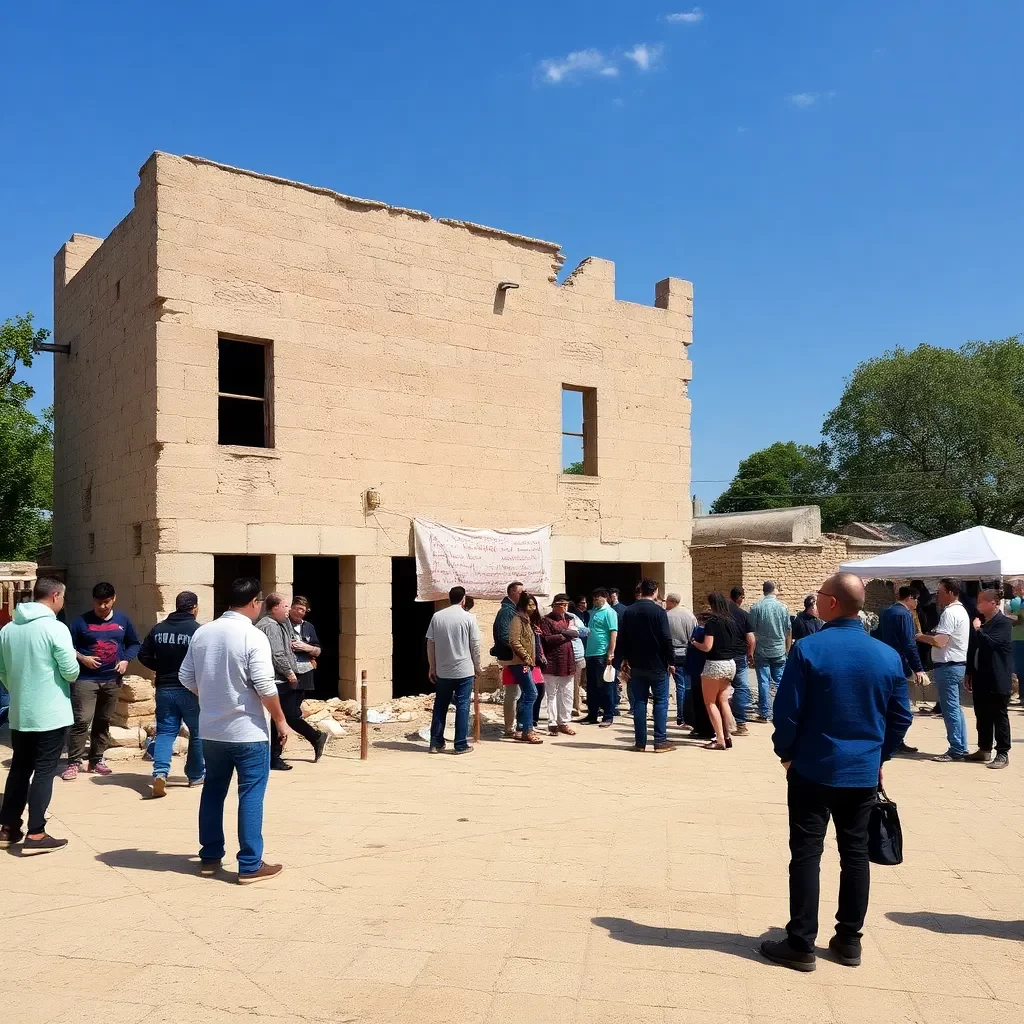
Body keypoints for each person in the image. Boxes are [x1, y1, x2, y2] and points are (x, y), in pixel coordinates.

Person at [760, 572, 912, 972]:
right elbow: (900, 717)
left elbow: (787, 710)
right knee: (855, 855)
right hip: (862, 772)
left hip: (812, 767)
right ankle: (848, 941)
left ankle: (801, 942)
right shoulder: (887, 655)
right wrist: (880, 757)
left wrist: (786, 753)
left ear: (830, 603)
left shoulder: (809, 649)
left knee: (807, 854)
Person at [179, 577, 291, 884]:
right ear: (254, 602)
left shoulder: (203, 633)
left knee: (213, 791)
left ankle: (210, 855)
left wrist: (214, 697)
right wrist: (280, 719)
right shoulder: (252, 636)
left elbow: (185, 676)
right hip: (248, 732)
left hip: (212, 730)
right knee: (251, 794)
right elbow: (266, 686)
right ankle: (250, 864)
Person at [0, 578, 79, 854]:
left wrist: (21, 691)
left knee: (20, 769)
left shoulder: (8, 629)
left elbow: (2, 671)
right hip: (51, 713)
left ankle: (8, 826)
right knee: (45, 771)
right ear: (56, 596)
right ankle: (36, 833)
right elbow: (71, 671)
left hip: (21, 712)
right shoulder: (56, 629)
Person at [63, 582, 141, 780]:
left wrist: (125, 660)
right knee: (82, 720)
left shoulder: (123, 620)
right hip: (85, 680)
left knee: (103, 720)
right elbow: (66, 647)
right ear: (93, 601)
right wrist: (82, 658)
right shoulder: (81, 622)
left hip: (112, 680)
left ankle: (97, 759)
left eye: (106, 602)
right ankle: (74, 762)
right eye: (99, 603)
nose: (103, 607)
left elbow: (134, 643)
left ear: (113, 599)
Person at [137, 591, 203, 797]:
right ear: (194, 608)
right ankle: (195, 775)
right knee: (197, 732)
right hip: (190, 689)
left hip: (165, 688)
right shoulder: (197, 631)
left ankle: (160, 773)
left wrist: (160, 667)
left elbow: (142, 654)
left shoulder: (159, 629)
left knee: (166, 732)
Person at [258, 594, 327, 771]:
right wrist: (289, 673)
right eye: (289, 607)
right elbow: (278, 653)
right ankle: (313, 738)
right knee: (285, 715)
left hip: (297, 674)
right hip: (282, 676)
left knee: (286, 715)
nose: (292, 611)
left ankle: (276, 755)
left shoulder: (304, 627)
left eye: (303, 610)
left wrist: (309, 649)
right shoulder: (273, 625)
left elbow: (317, 649)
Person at [618, 579, 675, 752]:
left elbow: (623, 638)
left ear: (641, 590)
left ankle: (640, 742)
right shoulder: (659, 612)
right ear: (656, 591)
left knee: (640, 702)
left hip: (637, 664)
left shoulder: (629, 611)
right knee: (660, 702)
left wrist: (624, 660)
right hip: (658, 664)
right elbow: (666, 638)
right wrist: (671, 661)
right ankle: (660, 741)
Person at [917, 578, 970, 762]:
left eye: (939, 592)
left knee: (950, 709)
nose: (937, 596)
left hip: (948, 665)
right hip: (956, 665)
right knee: (955, 708)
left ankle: (956, 748)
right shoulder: (961, 611)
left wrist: (920, 636)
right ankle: (960, 746)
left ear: (950, 592)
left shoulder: (950, 613)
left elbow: (940, 641)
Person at [425, 586, 482, 754]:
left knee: (440, 705)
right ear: (463, 599)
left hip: (443, 670)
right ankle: (460, 744)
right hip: (464, 670)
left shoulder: (437, 617)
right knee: (463, 706)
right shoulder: (469, 618)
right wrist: (478, 666)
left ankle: (435, 742)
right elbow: (475, 645)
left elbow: (430, 643)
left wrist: (432, 666)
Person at [964, 589, 1012, 769]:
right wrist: (969, 671)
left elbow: (990, 643)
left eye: (981, 601)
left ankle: (1002, 753)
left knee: (999, 715)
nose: (978, 605)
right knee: (982, 715)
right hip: (981, 676)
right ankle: (984, 748)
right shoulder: (983, 623)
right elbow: (973, 649)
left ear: (993, 603)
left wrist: (977, 629)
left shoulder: (1003, 624)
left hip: (997, 678)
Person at [877, 585, 928, 754]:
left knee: (886, 705)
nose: (917, 603)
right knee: (902, 709)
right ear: (910, 598)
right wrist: (918, 668)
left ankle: (886, 740)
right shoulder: (904, 614)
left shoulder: (886, 612)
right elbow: (909, 643)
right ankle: (895, 742)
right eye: (916, 599)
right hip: (899, 665)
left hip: (884, 662)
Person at [691, 593, 745, 749]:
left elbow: (707, 646)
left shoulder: (712, 623)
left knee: (710, 702)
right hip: (730, 664)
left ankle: (720, 739)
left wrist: (696, 644)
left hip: (715, 664)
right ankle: (727, 735)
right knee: (723, 700)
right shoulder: (731, 622)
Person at [748, 581, 791, 723]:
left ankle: (764, 712)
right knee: (779, 681)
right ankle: (779, 710)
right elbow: (788, 629)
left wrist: (750, 651)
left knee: (763, 681)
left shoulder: (756, 607)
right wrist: (787, 648)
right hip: (779, 649)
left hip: (762, 649)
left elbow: (751, 631)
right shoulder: (783, 608)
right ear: (775, 590)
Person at [538, 594, 579, 736]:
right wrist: (564, 634)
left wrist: (563, 632)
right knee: (551, 693)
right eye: (561, 605)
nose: (564, 608)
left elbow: (576, 633)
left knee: (567, 692)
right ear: (555, 605)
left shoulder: (570, 618)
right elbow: (547, 639)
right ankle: (552, 722)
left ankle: (564, 721)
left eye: (566, 605)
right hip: (552, 660)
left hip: (568, 660)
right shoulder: (546, 620)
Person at [507, 592, 544, 744]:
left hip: (527, 663)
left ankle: (522, 727)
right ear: (523, 605)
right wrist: (527, 659)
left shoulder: (527, 621)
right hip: (520, 663)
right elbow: (514, 641)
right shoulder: (517, 619)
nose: (533, 608)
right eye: (530, 605)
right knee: (531, 693)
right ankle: (527, 730)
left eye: (534, 605)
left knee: (527, 694)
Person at [492, 582, 524, 737]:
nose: (523, 595)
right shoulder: (506, 612)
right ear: (512, 592)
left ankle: (520, 725)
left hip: (518, 658)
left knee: (521, 693)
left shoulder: (515, 611)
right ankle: (509, 728)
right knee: (513, 694)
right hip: (512, 658)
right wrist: (521, 650)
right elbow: (505, 636)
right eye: (520, 592)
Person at [583, 588, 618, 727]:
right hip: (590, 653)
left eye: (598, 597)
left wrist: (610, 652)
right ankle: (592, 714)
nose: (595, 600)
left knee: (605, 685)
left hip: (602, 653)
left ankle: (608, 715)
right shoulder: (593, 612)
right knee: (591, 686)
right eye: (594, 598)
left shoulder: (610, 612)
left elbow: (613, 633)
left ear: (605, 598)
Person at [665, 593, 697, 727]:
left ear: (671, 601)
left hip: (671, 653)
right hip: (686, 652)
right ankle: (686, 716)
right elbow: (694, 636)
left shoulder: (666, 616)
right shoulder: (689, 615)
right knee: (686, 686)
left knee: (677, 686)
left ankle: (681, 717)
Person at [728, 587, 756, 736]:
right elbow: (751, 639)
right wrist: (750, 654)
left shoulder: (721, 614)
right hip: (739, 656)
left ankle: (720, 726)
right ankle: (740, 723)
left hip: (723, 656)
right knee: (741, 688)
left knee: (720, 691)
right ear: (741, 598)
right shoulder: (744, 615)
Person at [684, 614, 715, 739]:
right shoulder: (713, 632)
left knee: (698, 700)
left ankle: (701, 729)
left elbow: (692, 647)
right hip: (710, 668)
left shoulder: (698, 631)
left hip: (697, 669)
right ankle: (711, 728)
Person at [288, 596, 321, 695]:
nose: (301, 612)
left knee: (301, 701)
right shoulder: (283, 624)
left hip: (305, 669)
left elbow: (318, 650)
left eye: (304, 610)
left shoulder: (308, 626)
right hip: (288, 669)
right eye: (298, 609)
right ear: (291, 608)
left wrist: (307, 647)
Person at [566, 601, 589, 715]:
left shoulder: (573, 617)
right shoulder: (551, 618)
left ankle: (576, 706)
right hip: (562, 655)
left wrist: (574, 631)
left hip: (577, 654)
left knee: (576, 683)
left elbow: (586, 631)